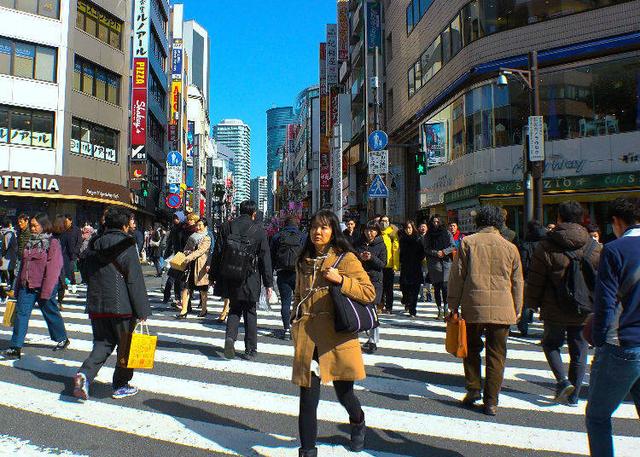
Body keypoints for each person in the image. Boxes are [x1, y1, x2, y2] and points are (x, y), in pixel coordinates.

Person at [291, 210, 376, 455]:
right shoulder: (303, 260)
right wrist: (294, 316)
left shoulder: (346, 258)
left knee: (345, 394)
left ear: (333, 231)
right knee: (307, 400)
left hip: (337, 336)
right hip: (308, 338)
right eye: (315, 227)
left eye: (325, 227)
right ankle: (307, 451)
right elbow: (299, 294)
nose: (318, 232)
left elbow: (369, 293)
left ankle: (358, 421)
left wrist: (341, 280)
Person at [448, 205, 524, 416]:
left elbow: (457, 277)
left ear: (478, 221)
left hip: (473, 306)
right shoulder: (510, 247)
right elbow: (517, 281)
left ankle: (473, 389)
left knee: (471, 348)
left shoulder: (468, 243)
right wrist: (517, 308)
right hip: (503, 308)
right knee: (497, 354)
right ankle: (491, 401)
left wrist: (453, 304)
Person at [525, 201, 601, 406]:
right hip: (584, 308)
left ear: (559, 218)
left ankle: (562, 381)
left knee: (550, 345)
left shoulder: (547, 245)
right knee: (579, 350)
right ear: (581, 219)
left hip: (554, 307)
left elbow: (536, 278)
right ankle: (574, 396)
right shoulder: (594, 246)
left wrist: (531, 303)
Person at [73, 206, 151, 401]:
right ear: (124, 225)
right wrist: (142, 309)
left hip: (96, 302)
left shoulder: (94, 243)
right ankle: (121, 384)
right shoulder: (127, 244)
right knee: (126, 346)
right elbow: (134, 279)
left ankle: (85, 375)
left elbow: (85, 271)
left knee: (102, 343)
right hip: (121, 306)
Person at [585, 198, 640, 457]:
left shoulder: (615, 249)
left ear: (617, 222)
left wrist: (597, 340)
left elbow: (605, 302)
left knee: (597, 415)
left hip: (623, 343)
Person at [210, 200, 273, 360]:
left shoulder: (226, 226)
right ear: (253, 213)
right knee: (250, 311)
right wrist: (268, 283)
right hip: (250, 276)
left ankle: (230, 339)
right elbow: (265, 258)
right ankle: (250, 349)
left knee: (234, 309)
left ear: (239, 211)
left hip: (230, 274)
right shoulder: (259, 230)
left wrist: (213, 276)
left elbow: (217, 253)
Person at [0, 213, 69, 360]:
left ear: (43, 226)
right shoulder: (29, 242)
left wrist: (46, 290)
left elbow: (54, 269)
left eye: (35, 225)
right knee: (21, 315)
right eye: (31, 225)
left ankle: (62, 338)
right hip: (27, 286)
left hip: (44, 286)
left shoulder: (52, 243)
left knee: (50, 313)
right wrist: (17, 287)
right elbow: (23, 266)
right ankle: (15, 347)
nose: (32, 228)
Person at [270, 215, 304, 340]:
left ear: (285, 224)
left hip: (282, 273)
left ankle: (287, 329)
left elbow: (271, 256)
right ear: (297, 224)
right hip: (298, 274)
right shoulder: (302, 236)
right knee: (300, 301)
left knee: (285, 302)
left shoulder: (277, 236)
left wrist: (270, 273)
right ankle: (299, 327)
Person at [356, 221, 387, 353]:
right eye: (367, 230)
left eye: (373, 230)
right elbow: (351, 257)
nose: (370, 233)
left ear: (377, 232)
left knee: (373, 309)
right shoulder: (358, 244)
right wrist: (360, 257)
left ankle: (373, 340)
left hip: (375, 281)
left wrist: (371, 258)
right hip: (360, 279)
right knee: (359, 308)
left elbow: (383, 264)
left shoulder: (381, 245)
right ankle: (362, 337)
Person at [176, 217, 211, 319]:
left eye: (200, 225)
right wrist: (186, 252)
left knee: (203, 290)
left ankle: (204, 309)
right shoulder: (193, 236)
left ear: (205, 227)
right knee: (186, 287)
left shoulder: (207, 238)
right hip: (190, 266)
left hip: (200, 267)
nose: (198, 227)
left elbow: (201, 251)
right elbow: (186, 248)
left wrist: (189, 256)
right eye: (197, 225)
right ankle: (184, 310)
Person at [517, 220, 547, 337]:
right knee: (545, 303)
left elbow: (523, 262)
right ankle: (546, 329)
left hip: (529, 276)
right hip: (544, 276)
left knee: (526, 303)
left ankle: (523, 327)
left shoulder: (526, 244)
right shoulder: (546, 243)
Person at [425, 215, 455, 320]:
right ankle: (439, 309)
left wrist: (444, 252)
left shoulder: (447, 233)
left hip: (446, 262)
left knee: (445, 287)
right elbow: (426, 248)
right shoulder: (428, 235)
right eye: (434, 222)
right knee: (437, 287)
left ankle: (446, 308)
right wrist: (436, 253)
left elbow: (453, 246)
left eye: (438, 222)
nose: (436, 224)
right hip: (434, 263)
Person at [398, 220, 425, 317]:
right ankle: (407, 302)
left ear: (413, 228)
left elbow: (422, 252)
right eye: (406, 228)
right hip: (405, 266)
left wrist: (418, 259)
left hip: (416, 266)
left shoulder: (418, 238)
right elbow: (400, 253)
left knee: (415, 289)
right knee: (405, 288)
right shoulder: (402, 239)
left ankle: (412, 309)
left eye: (409, 228)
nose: (408, 230)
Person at [163, 213, 188, 305]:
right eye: (174, 218)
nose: (175, 219)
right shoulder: (174, 229)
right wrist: (167, 253)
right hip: (176, 256)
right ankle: (168, 296)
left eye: (177, 218)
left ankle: (178, 298)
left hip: (183, 256)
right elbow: (170, 242)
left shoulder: (184, 229)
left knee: (179, 279)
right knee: (172, 277)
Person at [380, 215, 399, 314]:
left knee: (389, 288)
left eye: (386, 221)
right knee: (380, 287)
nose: (384, 223)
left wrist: (395, 266)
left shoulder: (392, 234)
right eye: (382, 221)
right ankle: (380, 305)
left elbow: (395, 250)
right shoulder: (377, 233)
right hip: (379, 265)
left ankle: (389, 307)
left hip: (389, 265)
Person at [59, 214, 82, 294]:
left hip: (74, 253)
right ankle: (65, 286)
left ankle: (74, 284)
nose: (65, 223)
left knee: (73, 270)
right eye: (64, 221)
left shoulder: (76, 230)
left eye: (66, 221)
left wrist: (76, 250)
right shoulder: (63, 230)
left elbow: (79, 241)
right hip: (64, 253)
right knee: (64, 270)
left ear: (71, 221)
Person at [0, 218, 18, 288]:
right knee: (11, 272)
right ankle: (11, 286)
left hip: (3, 257)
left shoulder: (2, 232)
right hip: (9, 257)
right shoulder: (10, 233)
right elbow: (8, 246)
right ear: (9, 224)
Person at [417, 221, 432, 302]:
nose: (423, 228)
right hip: (419, 261)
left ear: (427, 228)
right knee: (421, 279)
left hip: (428, 261)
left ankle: (429, 294)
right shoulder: (417, 237)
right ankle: (421, 295)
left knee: (428, 279)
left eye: (424, 226)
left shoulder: (430, 237)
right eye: (421, 226)